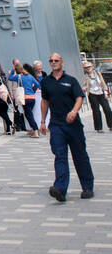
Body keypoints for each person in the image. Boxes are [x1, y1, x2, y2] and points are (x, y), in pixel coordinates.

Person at [41, 53, 94, 201]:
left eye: (56, 60)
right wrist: (43, 121)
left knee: (80, 156)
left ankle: (87, 186)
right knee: (60, 156)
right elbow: (45, 102)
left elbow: (79, 97)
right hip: (57, 125)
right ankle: (60, 189)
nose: (53, 62)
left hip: (73, 125)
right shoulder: (46, 82)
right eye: (51, 60)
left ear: (62, 63)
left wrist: (74, 111)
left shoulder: (71, 81)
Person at [82, 62, 112, 132]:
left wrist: (106, 91)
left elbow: (103, 82)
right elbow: (84, 85)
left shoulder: (98, 73)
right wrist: (84, 88)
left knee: (107, 109)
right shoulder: (86, 76)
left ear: (92, 67)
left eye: (89, 67)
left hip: (101, 93)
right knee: (96, 111)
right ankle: (99, 128)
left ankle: (111, 125)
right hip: (92, 94)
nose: (88, 68)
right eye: (86, 67)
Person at [8, 60, 26, 133]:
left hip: (23, 93)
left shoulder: (23, 72)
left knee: (23, 110)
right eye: (16, 64)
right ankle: (17, 125)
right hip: (16, 93)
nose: (17, 65)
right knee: (16, 110)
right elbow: (10, 84)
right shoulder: (11, 73)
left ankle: (23, 125)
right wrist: (11, 94)